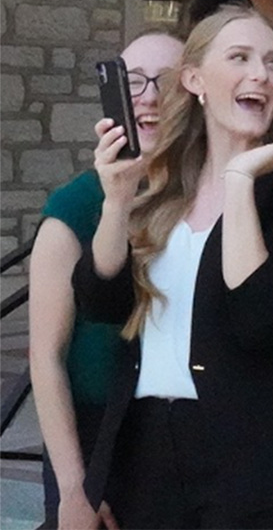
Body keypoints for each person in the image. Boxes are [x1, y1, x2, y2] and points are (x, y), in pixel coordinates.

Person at [74, 5, 273, 528]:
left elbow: (259, 320)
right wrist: (115, 202)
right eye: (240, 58)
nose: (260, 75)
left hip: (264, 467)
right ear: (196, 79)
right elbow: (100, 303)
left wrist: (241, 181)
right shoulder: (159, 184)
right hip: (149, 455)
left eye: (272, 63)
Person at [29, 30, 184, 530]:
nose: (150, 97)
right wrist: (74, 488)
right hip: (94, 437)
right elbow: (46, 357)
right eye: (133, 82)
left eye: (168, 82)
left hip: (174, 437)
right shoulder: (73, 207)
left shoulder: (207, 196)